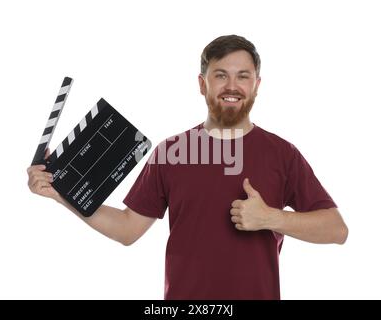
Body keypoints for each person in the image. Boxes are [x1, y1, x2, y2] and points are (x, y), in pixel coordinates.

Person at [27, 35, 348, 300]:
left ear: (257, 84)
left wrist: (272, 218)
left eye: (243, 76)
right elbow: (127, 229)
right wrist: (61, 193)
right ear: (202, 83)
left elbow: (336, 229)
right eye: (220, 75)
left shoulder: (282, 154)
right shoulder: (171, 152)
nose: (231, 86)